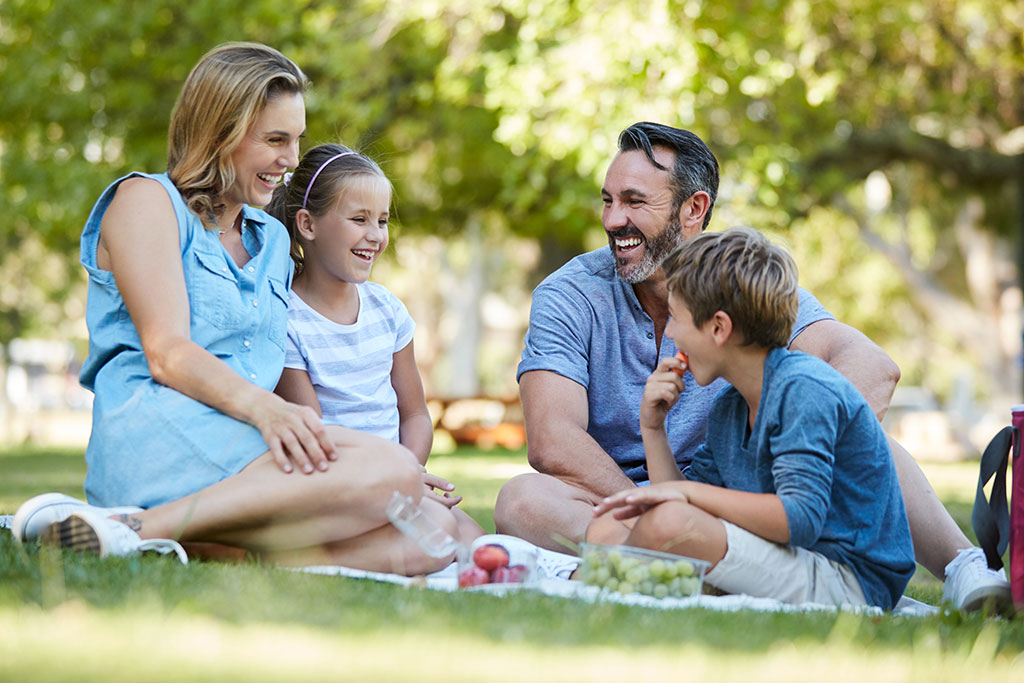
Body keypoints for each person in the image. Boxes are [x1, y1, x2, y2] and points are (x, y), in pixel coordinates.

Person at [494, 121, 1011, 611]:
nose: (612, 220)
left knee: (855, 427)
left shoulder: (738, 281)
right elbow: (551, 439)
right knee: (522, 501)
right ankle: (685, 567)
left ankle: (963, 565)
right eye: (607, 200)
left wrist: (791, 434)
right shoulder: (569, 294)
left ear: (693, 208)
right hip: (622, 493)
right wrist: (658, 505)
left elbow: (873, 367)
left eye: (634, 201)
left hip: (757, 488)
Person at [11, 43, 457, 575]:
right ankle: (134, 527)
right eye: (275, 140)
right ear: (220, 131)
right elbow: (168, 352)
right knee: (393, 474)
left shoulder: (270, 239)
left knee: (433, 538)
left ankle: (195, 547)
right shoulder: (146, 202)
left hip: (252, 454)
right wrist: (271, 413)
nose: (291, 160)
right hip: (164, 436)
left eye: (296, 141)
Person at [592, 227, 915, 608]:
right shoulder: (730, 405)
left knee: (668, 527)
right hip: (786, 558)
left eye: (676, 318)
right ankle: (640, 581)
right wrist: (653, 427)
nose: (672, 334)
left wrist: (686, 493)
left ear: (718, 327)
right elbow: (680, 500)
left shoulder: (803, 389)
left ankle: (614, 584)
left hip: (847, 578)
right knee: (604, 528)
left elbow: (800, 518)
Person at [266, 143, 482, 545]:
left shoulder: (388, 311)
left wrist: (408, 471)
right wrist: (390, 480)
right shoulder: (288, 320)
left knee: (479, 540)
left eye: (381, 221)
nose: (375, 236)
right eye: (359, 219)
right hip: (337, 484)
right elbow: (316, 437)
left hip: (397, 477)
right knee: (443, 534)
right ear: (307, 225)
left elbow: (415, 414)